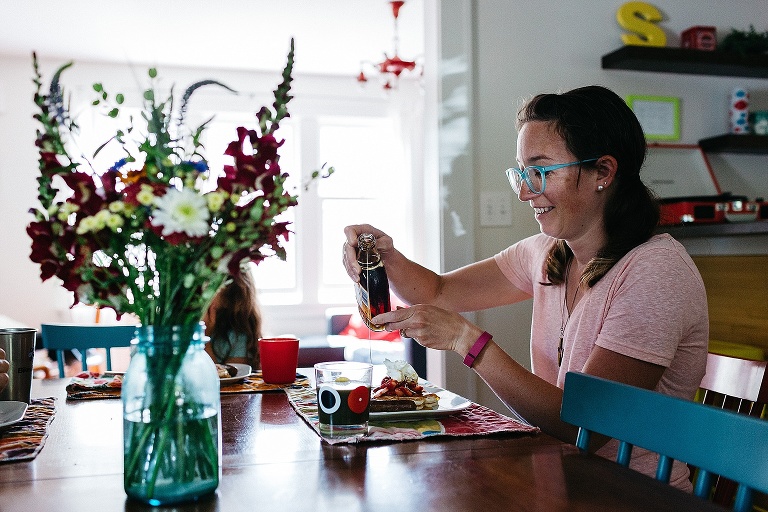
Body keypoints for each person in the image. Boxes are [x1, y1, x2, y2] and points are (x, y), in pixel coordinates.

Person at [342, 85, 708, 491]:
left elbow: (583, 425)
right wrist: (386, 259)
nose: (523, 191)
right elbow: (439, 291)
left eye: (541, 171)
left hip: (634, 496)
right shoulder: (549, 253)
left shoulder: (655, 272)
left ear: (603, 172)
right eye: (520, 172)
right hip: (563, 482)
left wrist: (468, 340)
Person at [203, 269, 263, 370]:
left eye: (211, 286)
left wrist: (204, 339)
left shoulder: (238, 334)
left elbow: (230, 380)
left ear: (229, 299)